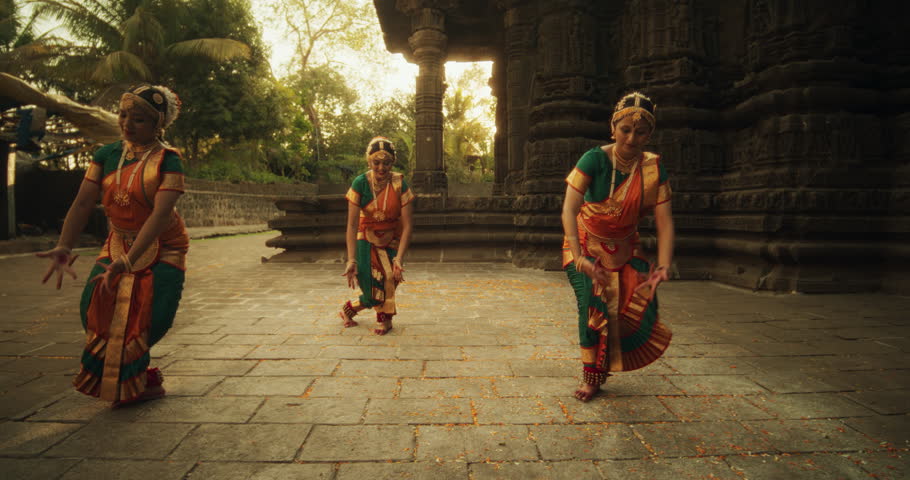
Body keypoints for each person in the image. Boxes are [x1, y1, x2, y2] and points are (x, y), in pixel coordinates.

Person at [37, 84, 188, 406]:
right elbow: (81, 205)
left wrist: (129, 261)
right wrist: (64, 245)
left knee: (151, 317)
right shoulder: (105, 155)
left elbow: (161, 216)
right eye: (122, 115)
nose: (127, 124)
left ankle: (138, 377)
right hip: (118, 240)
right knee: (94, 307)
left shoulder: (169, 160)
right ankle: (135, 378)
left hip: (163, 244)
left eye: (139, 120)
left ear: (158, 124)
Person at [561, 91, 675, 402]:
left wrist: (663, 265)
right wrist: (581, 257)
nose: (631, 138)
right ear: (613, 128)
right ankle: (591, 376)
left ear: (649, 135)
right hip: (583, 242)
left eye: (640, 132)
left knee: (631, 308)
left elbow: (665, 222)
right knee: (592, 305)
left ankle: (605, 362)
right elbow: (569, 209)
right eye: (625, 130)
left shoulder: (653, 169)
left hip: (625, 246)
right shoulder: (594, 159)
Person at [339, 136, 414, 335]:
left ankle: (385, 320)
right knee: (371, 288)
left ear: (393, 162)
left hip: (392, 237)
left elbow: (407, 225)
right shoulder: (360, 183)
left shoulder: (400, 184)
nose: (381, 168)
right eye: (376, 162)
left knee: (391, 278)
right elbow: (352, 224)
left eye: (386, 163)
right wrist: (351, 259)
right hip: (366, 237)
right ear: (368, 161)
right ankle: (348, 309)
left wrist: (399, 258)